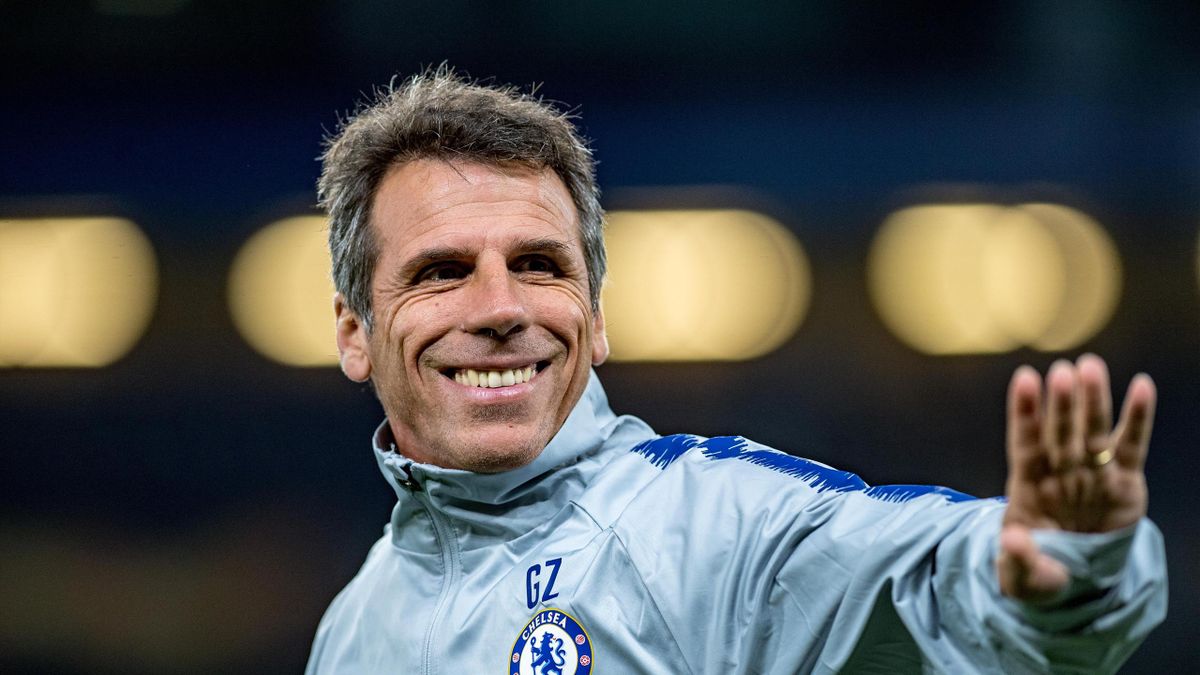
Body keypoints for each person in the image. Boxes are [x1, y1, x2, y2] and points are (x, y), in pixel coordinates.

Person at [305, 67, 1166, 674]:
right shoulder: (352, 629)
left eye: (539, 264)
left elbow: (923, 575)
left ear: (595, 319)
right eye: (443, 271)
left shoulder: (711, 528)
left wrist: (1068, 572)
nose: (502, 306)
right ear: (354, 331)